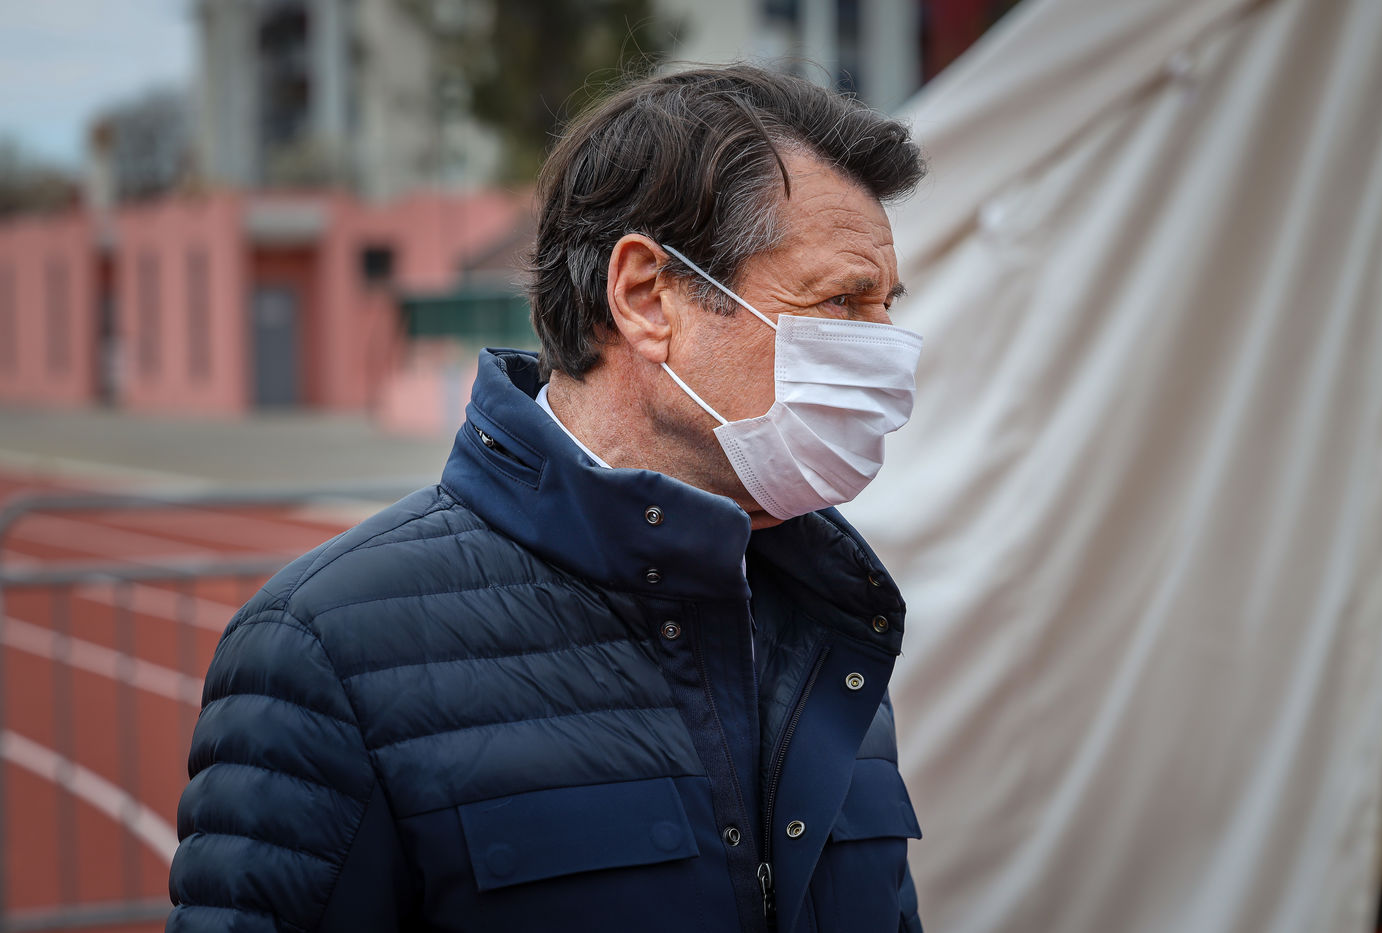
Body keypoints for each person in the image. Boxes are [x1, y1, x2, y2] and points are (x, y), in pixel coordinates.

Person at [167, 64, 927, 933]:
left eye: (886, 306)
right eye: (843, 300)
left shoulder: (830, 621)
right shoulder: (327, 650)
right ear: (646, 297)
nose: (888, 352)